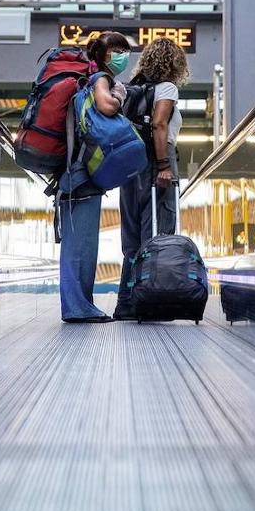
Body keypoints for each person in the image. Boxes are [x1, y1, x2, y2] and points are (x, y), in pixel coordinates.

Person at [57, 31, 130, 323]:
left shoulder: (88, 78)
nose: (124, 56)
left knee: (81, 243)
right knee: (80, 244)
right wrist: (117, 98)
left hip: (75, 171)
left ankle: (80, 304)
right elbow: (105, 105)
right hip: (81, 174)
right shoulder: (100, 78)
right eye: (119, 50)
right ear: (104, 54)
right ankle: (77, 307)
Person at [113, 37, 188, 320]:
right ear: (174, 64)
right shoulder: (166, 88)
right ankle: (149, 301)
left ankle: (126, 303)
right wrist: (164, 165)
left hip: (129, 164)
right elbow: (159, 124)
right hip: (157, 162)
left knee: (132, 239)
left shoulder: (130, 92)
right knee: (156, 233)